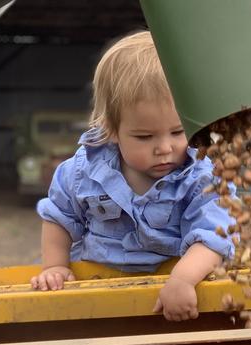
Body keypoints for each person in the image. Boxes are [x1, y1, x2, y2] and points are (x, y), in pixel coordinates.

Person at [30, 31, 234, 321]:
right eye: (145, 136)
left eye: (178, 132)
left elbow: (214, 235)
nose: (165, 148)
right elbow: (60, 216)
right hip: (97, 295)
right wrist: (55, 266)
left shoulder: (201, 177)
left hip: (169, 293)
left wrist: (183, 280)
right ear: (111, 130)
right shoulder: (82, 171)